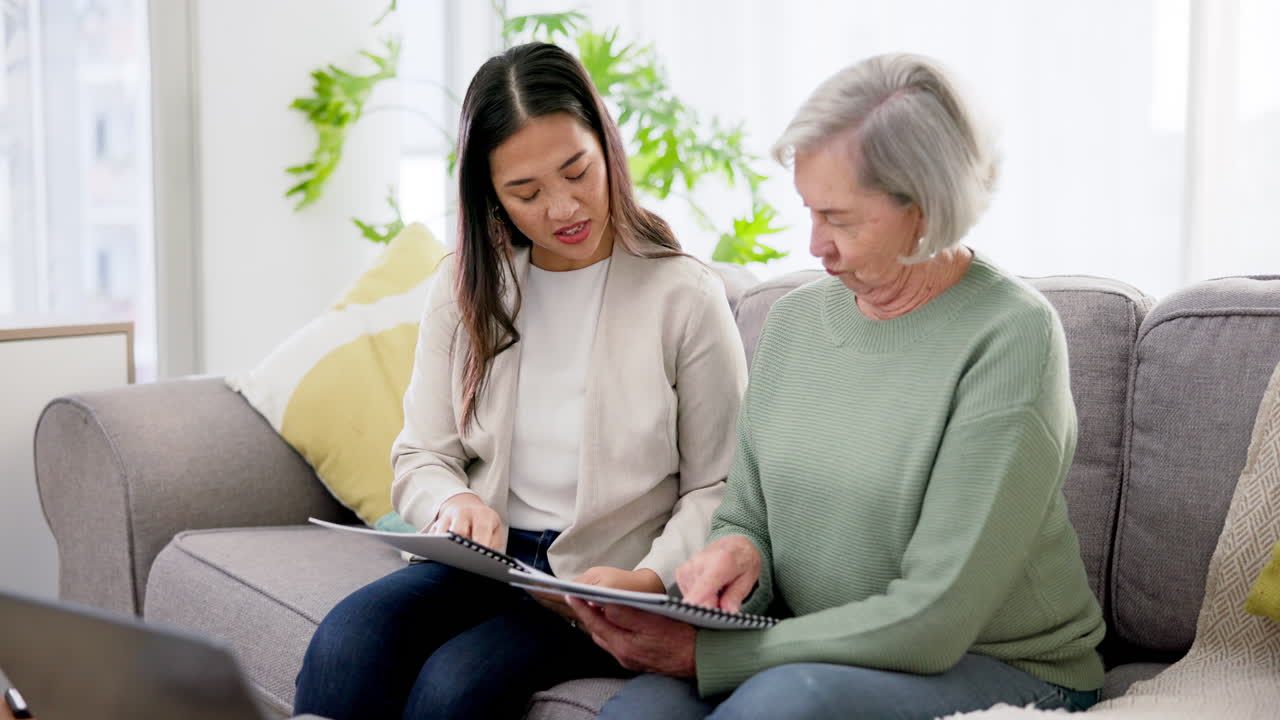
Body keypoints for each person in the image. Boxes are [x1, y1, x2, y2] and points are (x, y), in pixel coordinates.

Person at [575, 53, 1107, 719]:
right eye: (809, 211)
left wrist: (706, 657)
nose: (814, 245)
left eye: (841, 219)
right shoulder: (795, 321)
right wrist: (737, 558)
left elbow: (933, 619)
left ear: (925, 206)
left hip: (1002, 663)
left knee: (776, 706)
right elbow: (748, 517)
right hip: (817, 648)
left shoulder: (1011, 337)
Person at [292, 42, 747, 720]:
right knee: (346, 641)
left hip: (596, 581)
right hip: (486, 562)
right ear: (492, 197)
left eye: (576, 171)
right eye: (526, 193)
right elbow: (422, 454)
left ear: (606, 145)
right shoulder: (470, 287)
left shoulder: (683, 296)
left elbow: (720, 485)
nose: (563, 207)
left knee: (455, 686)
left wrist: (646, 578)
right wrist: (452, 507)